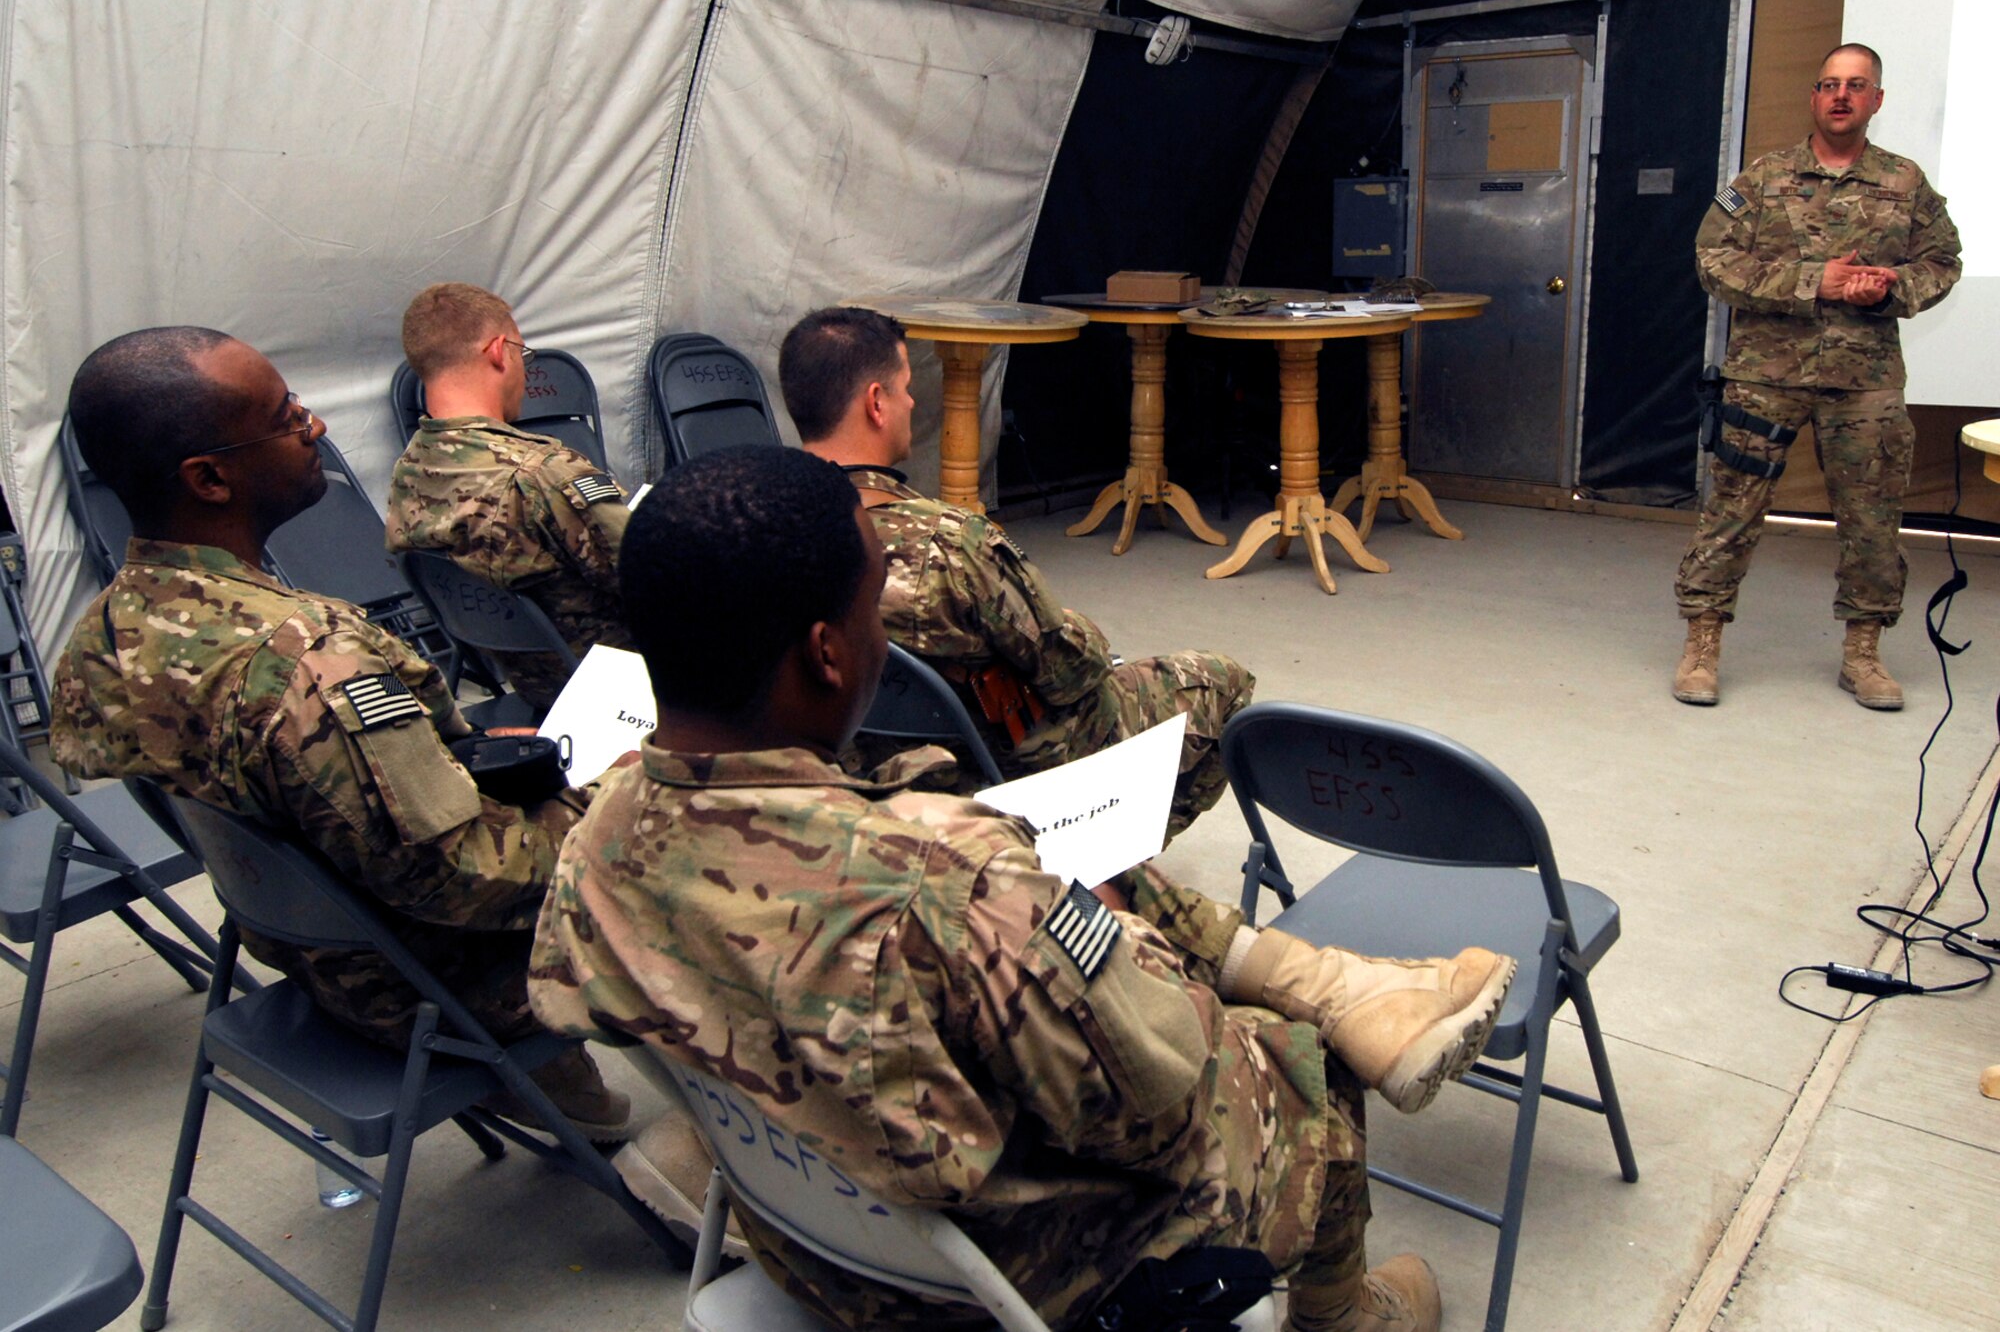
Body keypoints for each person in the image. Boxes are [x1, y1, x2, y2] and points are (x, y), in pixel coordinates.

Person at [531, 446, 1520, 1331]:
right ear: (827, 652)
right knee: (1306, 1065)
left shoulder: (596, 833)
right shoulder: (950, 890)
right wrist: (1124, 946)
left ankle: (1330, 981)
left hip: (808, 1243)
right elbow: (1162, 1105)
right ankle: (1346, 1313)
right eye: (873, 606)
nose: (883, 633)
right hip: (996, 1282)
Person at [50, 327, 627, 1139]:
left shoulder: (101, 640)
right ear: (209, 477)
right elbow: (459, 878)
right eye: (285, 417)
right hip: (436, 983)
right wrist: (614, 795)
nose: (313, 427)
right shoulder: (308, 662)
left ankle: (571, 1098)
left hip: (314, 954)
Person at [779, 306, 1250, 840]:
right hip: (988, 773)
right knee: (1222, 681)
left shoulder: (758, 526)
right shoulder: (952, 542)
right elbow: (1073, 669)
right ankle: (1107, 867)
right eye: (906, 387)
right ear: (877, 403)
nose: (913, 401)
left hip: (845, 773)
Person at [1674, 42, 1961, 710]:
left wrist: (1888, 289)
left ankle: (1863, 653)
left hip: (1865, 380)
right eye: (1830, 83)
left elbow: (1942, 261)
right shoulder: (1764, 178)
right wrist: (1815, 280)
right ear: (1813, 96)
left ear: (1876, 101)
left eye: (1856, 85)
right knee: (1732, 510)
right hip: (1763, 375)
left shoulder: (1905, 183)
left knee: (1872, 518)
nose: (1841, 95)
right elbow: (1711, 261)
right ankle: (1702, 643)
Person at [384, 282, 631, 711]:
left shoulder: (409, 474)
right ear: (500, 351)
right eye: (524, 354)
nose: (524, 367)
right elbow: (661, 580)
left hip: (535, 693)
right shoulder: (544, 474)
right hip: (626, 689)